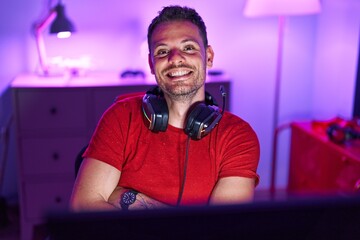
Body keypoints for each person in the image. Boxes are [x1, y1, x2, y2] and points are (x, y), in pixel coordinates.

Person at [70, 5, 260, 211]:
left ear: (209, 57)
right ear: (151, 64)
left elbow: (222, 229)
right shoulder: (121, 116)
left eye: (188, 47)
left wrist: (126, 197)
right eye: (163, 51)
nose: (175, 58)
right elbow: (83, 206)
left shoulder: (237, 136)